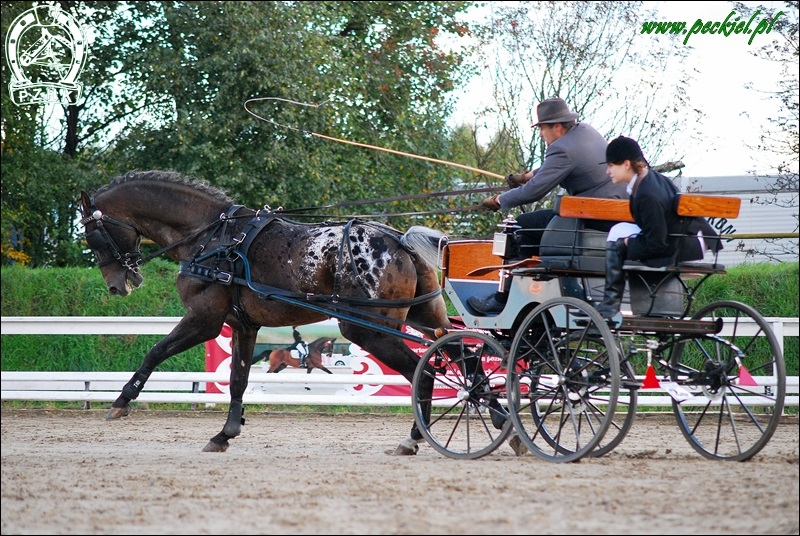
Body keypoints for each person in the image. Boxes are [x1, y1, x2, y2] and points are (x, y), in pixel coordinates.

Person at [468, 97, 629, 315]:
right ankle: (540, 295)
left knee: (519, 228)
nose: (542, 134)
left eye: (542, 128)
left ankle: (505, 300)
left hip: (593, 215)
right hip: (611, 212)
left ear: (557, 126)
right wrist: (524, 176)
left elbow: (535, 191)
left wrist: (499, 201)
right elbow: (551, 168)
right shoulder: (585, 132)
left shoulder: (562, 148)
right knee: (537, 225)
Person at [593, 136, 722, 322]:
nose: (607, 171)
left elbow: (657, 244)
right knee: (618, 231)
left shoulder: (647, 194)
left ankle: (610, 305)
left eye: (611, 165)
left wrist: (629, 243)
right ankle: (611, 304)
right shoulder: (650, 180)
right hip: (689, 236)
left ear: (626, 164)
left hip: (684, 242)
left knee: (619, 236)